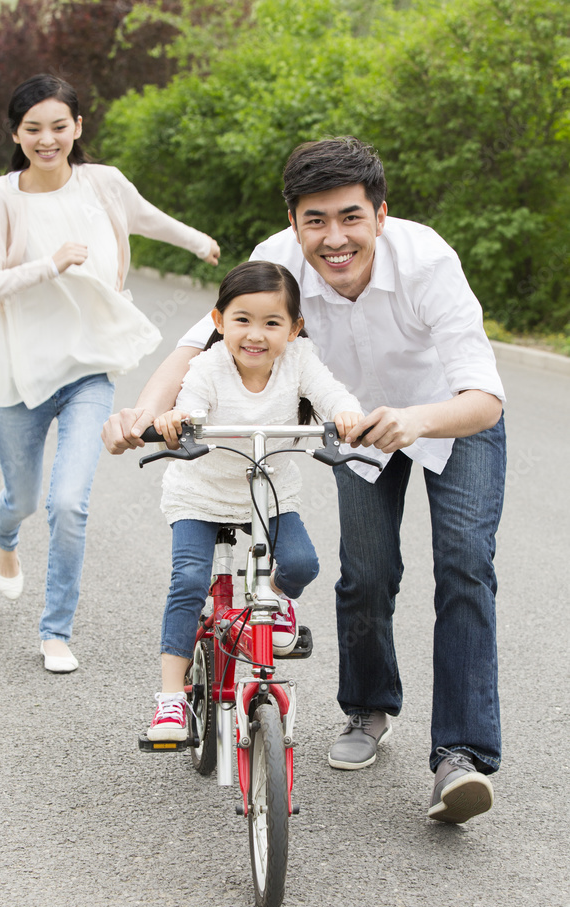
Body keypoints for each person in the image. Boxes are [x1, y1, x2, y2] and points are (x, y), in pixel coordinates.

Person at [102, 137, 506, 825]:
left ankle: (459, 758)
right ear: (292, 223)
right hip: (343, 426)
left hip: (444, 416)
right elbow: (193, 349)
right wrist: (144, 413)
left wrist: (413, 420)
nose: (334, 237)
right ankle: (368, 711)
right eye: (314, 220)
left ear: (381, 214)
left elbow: (484, 400)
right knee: (365, 572)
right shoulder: (277, 261)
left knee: (465, 567)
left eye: (349, 217)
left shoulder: (428, 262)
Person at [0, 73, 220, 673]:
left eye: (59, 126)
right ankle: (3, 536)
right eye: (33, 129)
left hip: (87, 372)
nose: (47, 139)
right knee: (23, 499)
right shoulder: (3, 197)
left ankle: (56, 632)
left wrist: (195, 241)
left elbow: (145, 216)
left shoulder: (102, 184)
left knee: (70, 502)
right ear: (17, 134)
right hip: (19, 375)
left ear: (77, 127)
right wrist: (46, 267)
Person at [144, 260, 364, 739]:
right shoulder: (208, 365)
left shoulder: (299, 360)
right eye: (242, 320)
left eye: (272, 323)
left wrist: (347, 415)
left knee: (302, 563)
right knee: (189, 580)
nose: (255, 335)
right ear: (219, 321)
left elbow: (331, 393)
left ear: (294, 328)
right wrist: (179, 420)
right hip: (200, 492)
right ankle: (170, 700)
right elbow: (193, 402)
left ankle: (278, 602)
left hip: (267, 490)